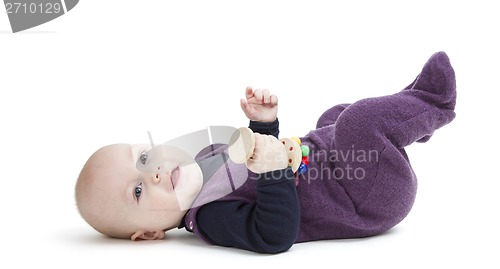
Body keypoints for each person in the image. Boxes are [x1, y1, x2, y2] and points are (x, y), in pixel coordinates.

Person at [75, 52, 456, 253]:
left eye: (144, 159)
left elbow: (260, 155)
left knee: (335, 117)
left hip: (334, 163)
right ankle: (434, 102)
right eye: (138, 191)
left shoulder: (210, 153)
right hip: (363, 200)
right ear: (149, 234)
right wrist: (275, 169)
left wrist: (265, 125)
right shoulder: (209, 216)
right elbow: (273, 234)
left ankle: (409, 122)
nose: (153, 174)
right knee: (358, 123)